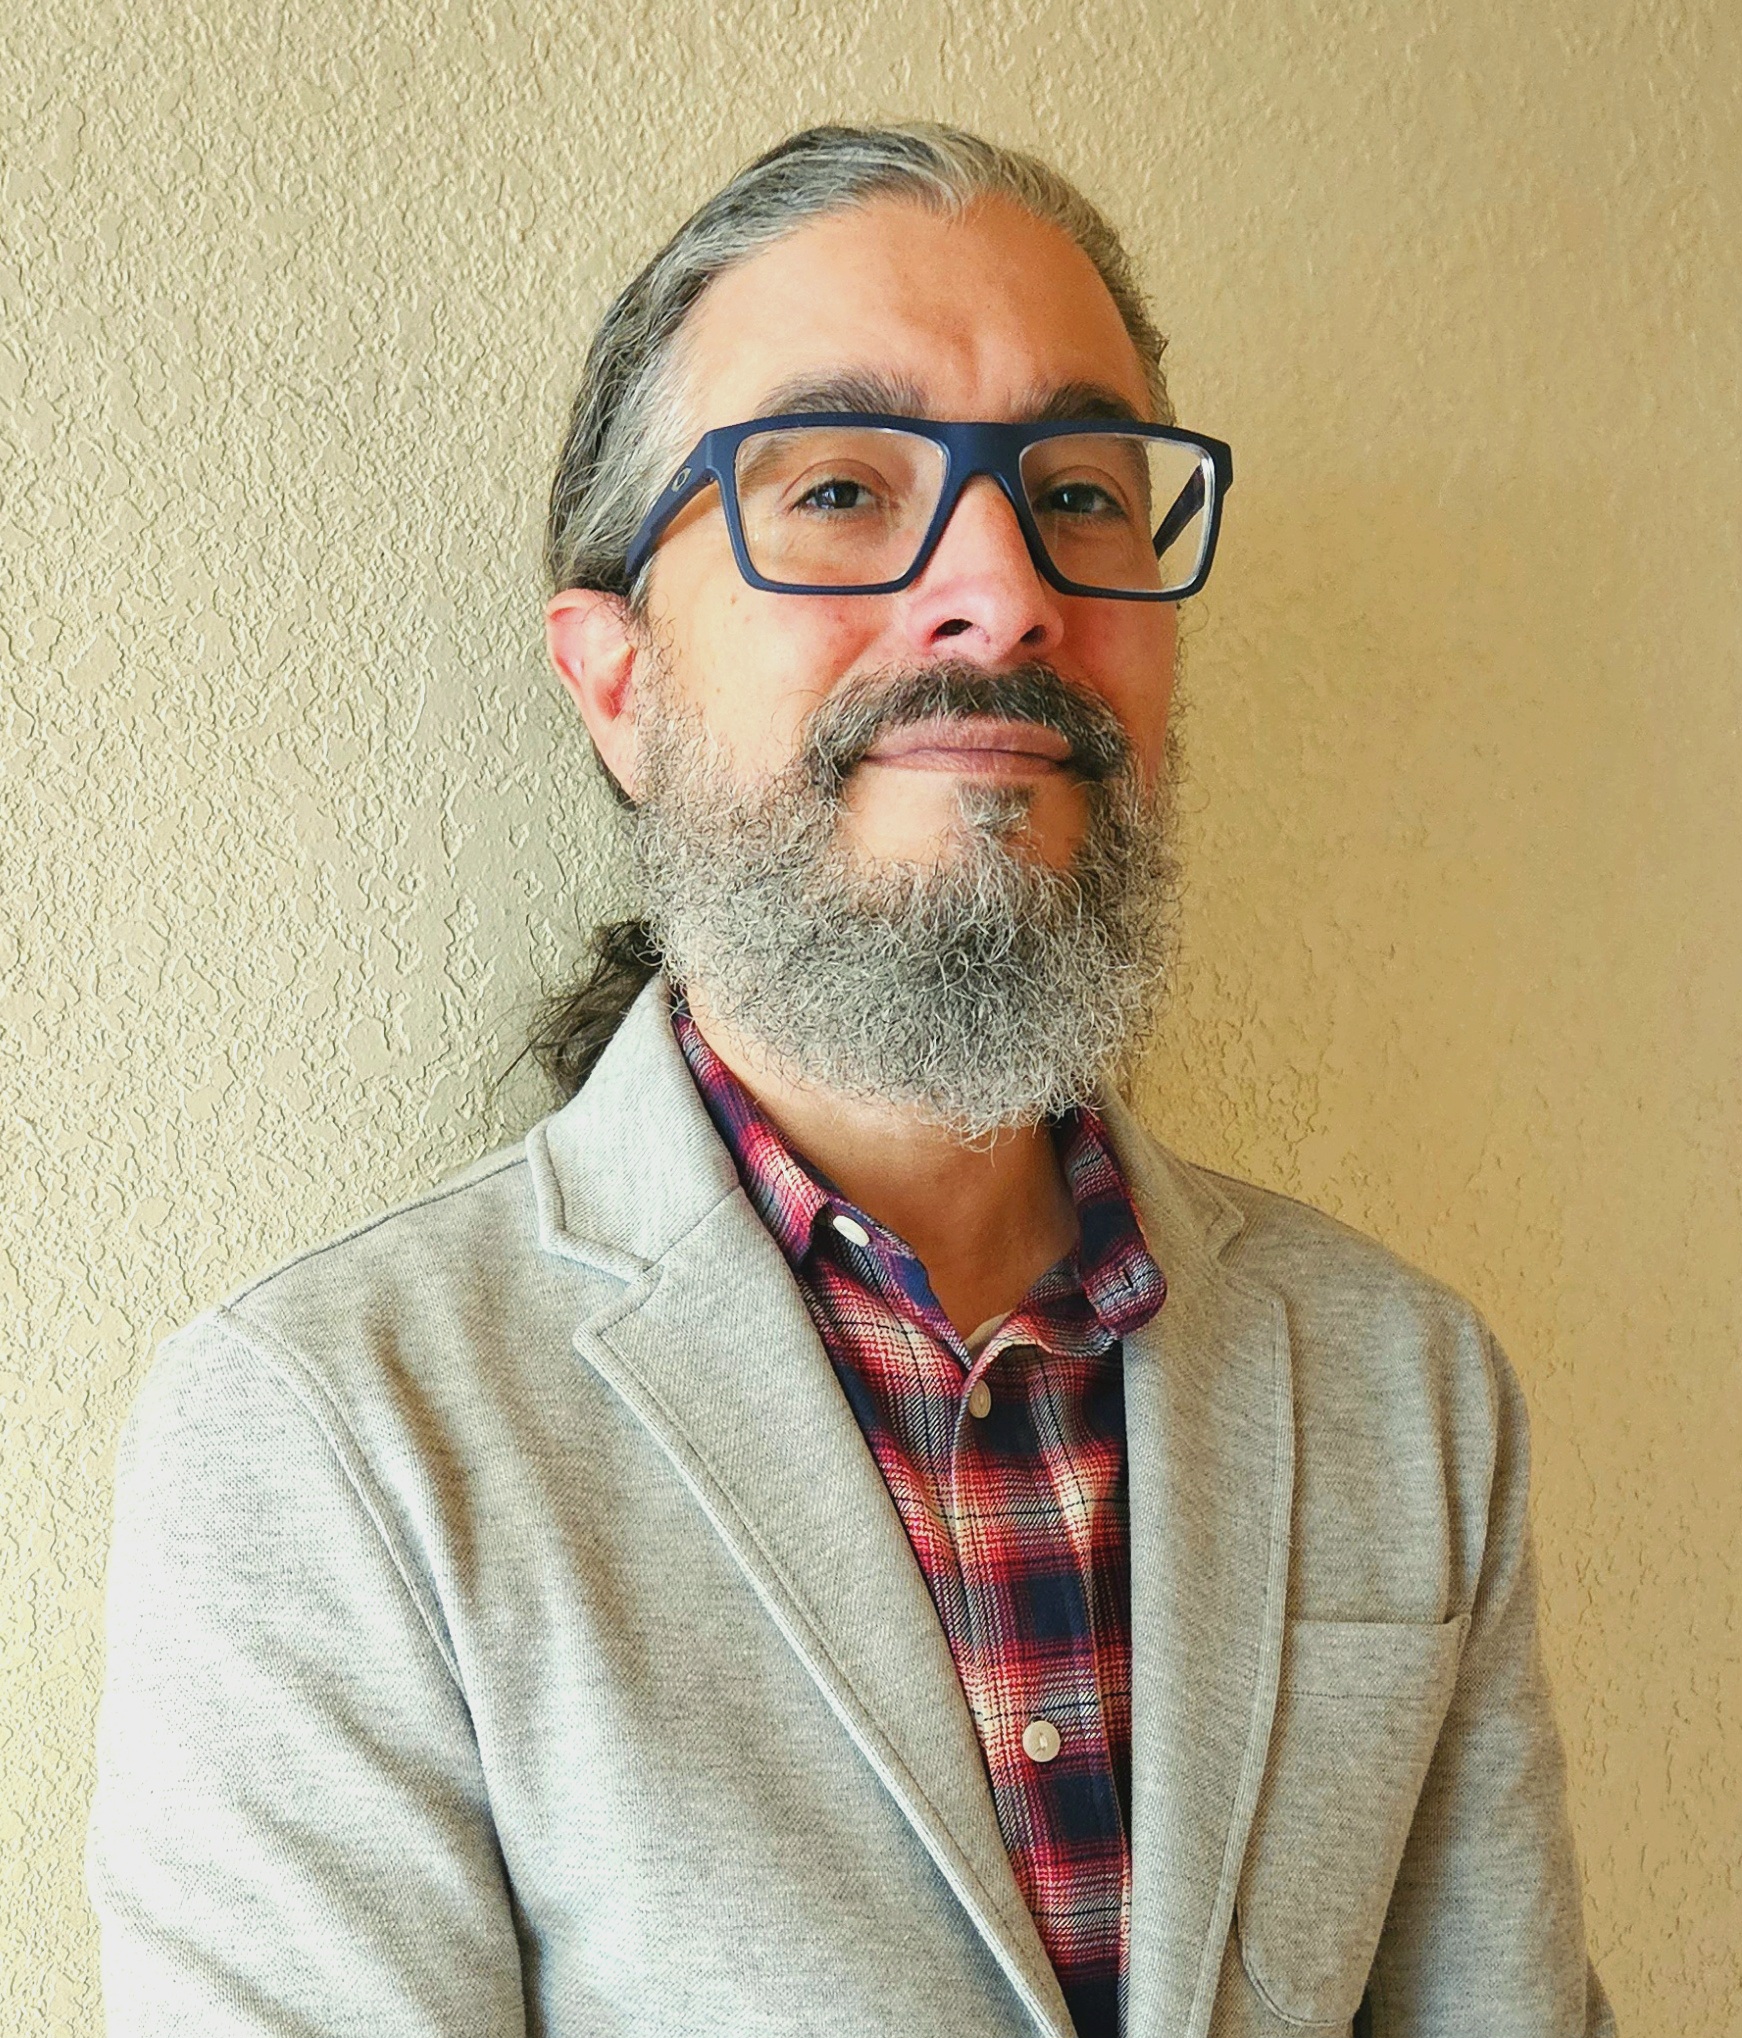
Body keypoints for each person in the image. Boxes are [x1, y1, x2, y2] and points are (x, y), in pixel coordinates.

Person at [89, 123, 1615, 2038]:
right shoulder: (336, 1430)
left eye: (1077, 493)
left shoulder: (1403, 1382)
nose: (1002, 591)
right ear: (616, 681)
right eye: (834, 486)